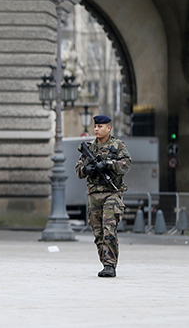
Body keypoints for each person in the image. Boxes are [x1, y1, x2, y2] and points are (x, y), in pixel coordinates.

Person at [75, 115, 132, 278]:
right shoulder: (90, 148)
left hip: (112, 193)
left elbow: (126, 164)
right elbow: (78, 169)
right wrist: (87, 170)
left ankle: (110, 265)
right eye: (95, 126)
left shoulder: (117, 145)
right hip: (94, 194)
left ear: (109, 128)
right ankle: (105, 262)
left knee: (109, 228)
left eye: (100, 126)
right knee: (98, 232)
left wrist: (108, 164)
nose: (96, 129)